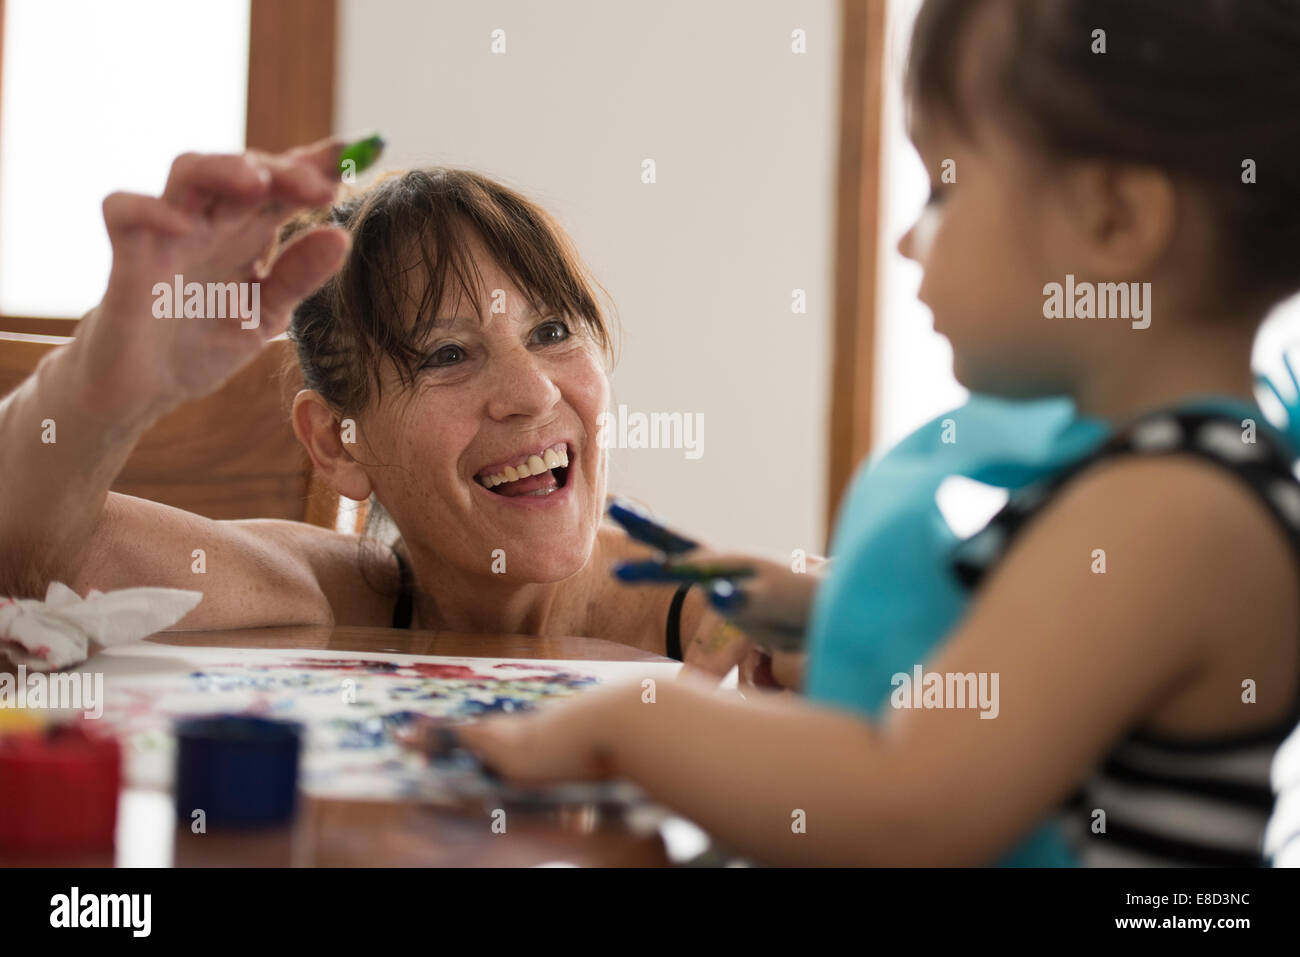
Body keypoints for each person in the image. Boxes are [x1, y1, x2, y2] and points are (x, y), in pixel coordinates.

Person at [454, 0, 1300, 866]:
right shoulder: (1173, 477)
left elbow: (907, 803)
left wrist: (632, 722)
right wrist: (821, 611)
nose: (903, 239)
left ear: (1115, 219)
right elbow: (1038, 680)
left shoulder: (1171, 507)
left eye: (944, 186)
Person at [0, 143, 770, 678]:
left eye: (551, 331)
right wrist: (101, 385)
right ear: (338, 443)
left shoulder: (716, 616)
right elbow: (36, 550)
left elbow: (866, 643)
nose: (533, 392)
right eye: (446, 355)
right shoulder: (327, 595)